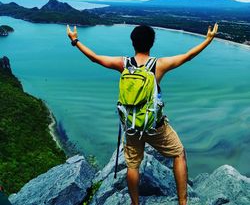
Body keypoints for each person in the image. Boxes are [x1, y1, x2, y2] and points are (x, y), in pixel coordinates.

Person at [67, 23, 218, 205]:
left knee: (132, 165)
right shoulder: (158, 65)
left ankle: (135, 203)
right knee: (178, 153)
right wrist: (208, 40)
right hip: (156, 126)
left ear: (133, 42)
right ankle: (183, 202)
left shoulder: (123, 64)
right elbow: (188, 56)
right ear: (151, 43)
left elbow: (95, 58)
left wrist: (75, 40)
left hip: (131, 127)